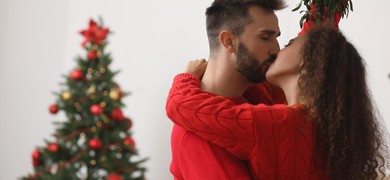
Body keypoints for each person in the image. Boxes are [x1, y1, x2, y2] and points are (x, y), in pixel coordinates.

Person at [167, 0, 353, 179]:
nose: (276, 49)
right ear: (229, 42)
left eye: (276, 37)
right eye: (265, 37)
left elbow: (307, 57)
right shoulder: (197, 134)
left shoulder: (260, 93)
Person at [166, 23, 389, 179]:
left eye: (289, 43)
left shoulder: (273, 124)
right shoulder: (328, 124)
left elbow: (183, 106)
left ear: (308, 63)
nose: (276, 50)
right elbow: (326, 52)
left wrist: (187, 77)